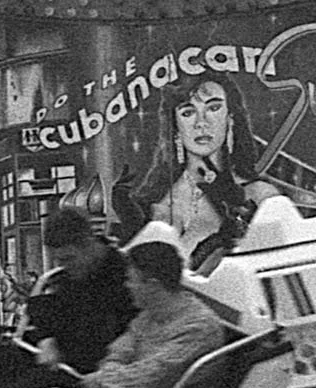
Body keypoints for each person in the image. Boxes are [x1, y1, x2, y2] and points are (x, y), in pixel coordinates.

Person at [26, 239, 230, 388]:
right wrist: (110, 375)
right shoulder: (151, 314)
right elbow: (119, 351)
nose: (127, 286)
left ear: (152, 285)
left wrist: (104, 378)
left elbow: (149, 378)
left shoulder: (199, 329)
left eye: (131, 280)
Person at [0, 206, 135, 388]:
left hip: (81, 371)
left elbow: (118, 337)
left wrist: (62, 348)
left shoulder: (127, 278)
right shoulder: (71, 275)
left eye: (68, 259)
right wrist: (47, 340)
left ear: (89, 244)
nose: (65, 266)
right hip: (48, 357)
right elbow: (44, 311)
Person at [111, 75, 264, 266]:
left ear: (230, 118)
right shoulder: (158, 201)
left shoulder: (258, 194)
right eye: (188, 112)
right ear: (175, 128)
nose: (201, 122)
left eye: (213, 108)